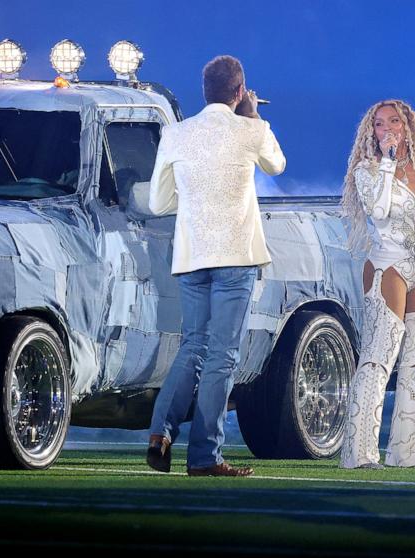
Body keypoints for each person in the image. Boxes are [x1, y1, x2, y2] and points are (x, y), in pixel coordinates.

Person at [145, 55, 286, 477]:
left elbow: (157, 203)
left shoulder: (175, 134)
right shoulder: (251, 129)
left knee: (192, 348)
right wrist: (254, 114)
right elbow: (277, 164)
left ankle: (160, 434)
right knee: (222, 357)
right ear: (239, 91)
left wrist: (188, 201)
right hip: (235, 259)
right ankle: (205, 455)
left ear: (203, 91)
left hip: (192, 258)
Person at [339, 99, 415, 469]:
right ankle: (359, 453)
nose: (387, 129)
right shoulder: (367, 171)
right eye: (379, 124)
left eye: (394, 122)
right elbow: (380, 211)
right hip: (388, 266)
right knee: (378, 359)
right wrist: (386, 161)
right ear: (372, 132)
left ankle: (408, 451)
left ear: (408, 127)